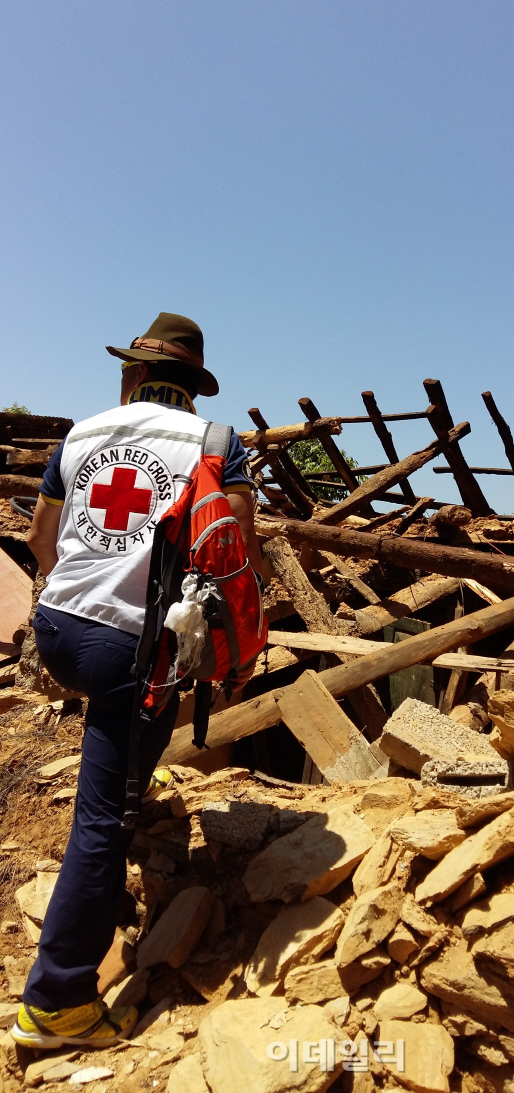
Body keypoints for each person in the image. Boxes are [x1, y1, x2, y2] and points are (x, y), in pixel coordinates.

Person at [12, 313, 268, 1050]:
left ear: (132, 375)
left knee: (114, 750)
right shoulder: (217, 443)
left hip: (60, 629)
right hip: (134, 651)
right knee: (102, 817)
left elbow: (39, 539)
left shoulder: (81, 435)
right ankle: (58, 1000)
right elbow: (237, 551)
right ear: (194, 385)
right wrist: (239, 648)